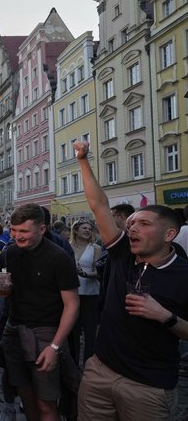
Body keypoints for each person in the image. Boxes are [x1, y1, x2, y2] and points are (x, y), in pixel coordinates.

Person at [73, 140, 188, 420]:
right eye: (132, 222)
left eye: (144, 224)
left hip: (148, 386)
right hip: (100, 372)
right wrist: (83, 160)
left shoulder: (183, 273)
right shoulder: (122, 253)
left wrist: (165, 316)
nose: (133, 227)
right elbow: (98, 204)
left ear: (169, 235)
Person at [0, 203, 80, 421]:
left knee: (46, 402)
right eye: (14, 231)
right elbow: (8, 290)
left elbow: (72, 304)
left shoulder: (59, 257)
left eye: (24, 231)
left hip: (45, 334)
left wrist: (55, 346)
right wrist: (5, 291)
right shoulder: (10, 253)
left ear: (42, 229)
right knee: (25, 396)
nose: (17, 236)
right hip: (14, 331)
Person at [69, 220, 102, 365]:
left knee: (90, 331)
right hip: (72, 293)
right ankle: (73, 363)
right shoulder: (68, 247)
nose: (88, 230)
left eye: (90, 228)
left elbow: (99, 272)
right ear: (75, 230)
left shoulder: (95, 248)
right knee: (73, 330)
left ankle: (89, 364)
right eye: (84, 228)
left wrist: (87, 275)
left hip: (91, 293)